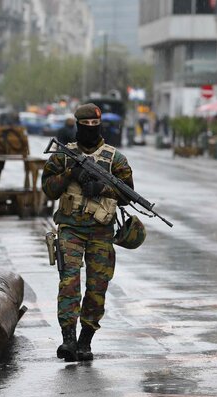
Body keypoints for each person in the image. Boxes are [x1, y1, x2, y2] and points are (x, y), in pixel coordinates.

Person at [41, 103, 134, 362]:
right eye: (86, 125)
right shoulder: (63, 155)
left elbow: (128, 195)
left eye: (95, 125)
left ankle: (85, 340)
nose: (91, 130)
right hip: (70, 228)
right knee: (68, 283)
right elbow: (48, 188)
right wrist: (72, 173)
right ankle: (68, 339)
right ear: (78, 125)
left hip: (101, 231)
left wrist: (101, 188)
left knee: (97, 286)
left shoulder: (115, 159)